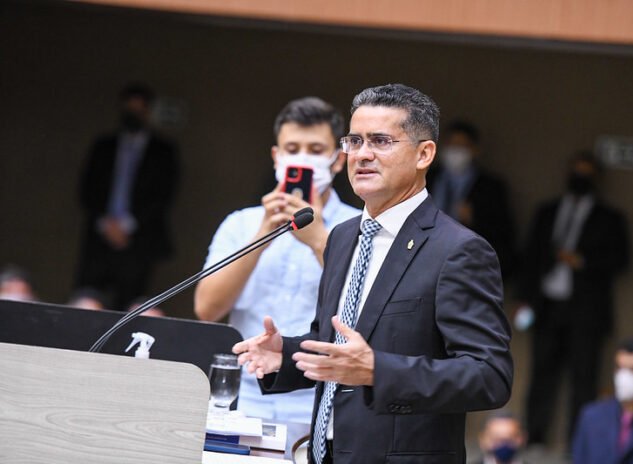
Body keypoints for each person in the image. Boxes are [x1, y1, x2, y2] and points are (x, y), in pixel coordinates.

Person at [233, 83, 513, 463]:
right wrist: (289, 355)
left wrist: (378, 371)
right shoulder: (343, 237)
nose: (362, 155)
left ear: (424, 154)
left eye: (381, 141)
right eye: (354, 141)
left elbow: (489, 376)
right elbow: (335, 341)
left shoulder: (458, 250)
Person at [195, 96, 360, 423]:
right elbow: (207, 309)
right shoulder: (241, 222)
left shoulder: (360, 226)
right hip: (242, 396)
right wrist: (263, 234)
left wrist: (320, 241)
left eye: (315, 151)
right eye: (293, 148)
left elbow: (370, 304)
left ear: (337, 161)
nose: (303, 159)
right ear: (276, 156)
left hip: (321, 401)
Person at [516, 150, 629, 444]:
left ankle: (577, 443)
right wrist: (525, 299)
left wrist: (583, 261)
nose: (580, 178)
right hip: (548, 304)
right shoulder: (548, 211)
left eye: (586, 173)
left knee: (583, 378)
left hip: (586, 309)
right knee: (542, 374)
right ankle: (535, 437)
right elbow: (530, 256)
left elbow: (621, 259)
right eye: (576, 171)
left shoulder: (609, 217)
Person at [76, 83, 179, 310]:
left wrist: (126, 225)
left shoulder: (163, 151)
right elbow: (87, 190)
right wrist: (106, 224)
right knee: (87, 301)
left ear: (148, 111)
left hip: (139, 241)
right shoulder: (104, 146)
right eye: (129, 109)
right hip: (99, 239)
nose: (133, 116)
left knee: (131, 305)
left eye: (139, 110)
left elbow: (164, 196)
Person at [429, 120, 517, 278]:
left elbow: (503, 234)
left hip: (466, 268)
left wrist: (474, 219)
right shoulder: (426, 178)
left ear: (475, 150)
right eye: (451, 145)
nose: (455, 151)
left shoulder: (490, 188)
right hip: (427, 261)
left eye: (461, 146)